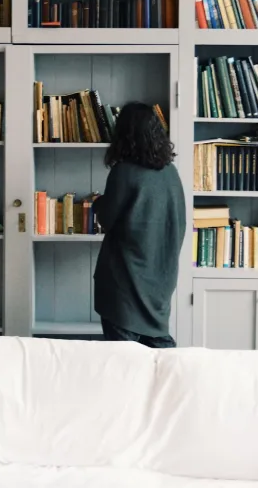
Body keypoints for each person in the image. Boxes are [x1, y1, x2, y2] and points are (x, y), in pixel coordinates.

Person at [93, 102, 186, 348]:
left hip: (124, 282)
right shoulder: (171, 172)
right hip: (161, 279)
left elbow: (107, 219)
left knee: (125, 363)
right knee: (160, 356)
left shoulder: (123, 172)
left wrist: (97, 203)